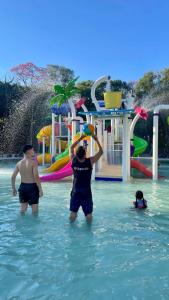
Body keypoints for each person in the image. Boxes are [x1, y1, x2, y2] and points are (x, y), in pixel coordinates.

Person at [69, 133, 103, 223]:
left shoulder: (73, 160)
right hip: (86, 192)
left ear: (76, 154)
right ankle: (89, 231)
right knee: (88, 215)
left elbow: (71, 147)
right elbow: (101, 152)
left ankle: (71, 230)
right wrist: (96, 140)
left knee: (73, 213)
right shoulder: (90, 161)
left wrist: (81, 138)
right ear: (84, 155)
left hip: (75, 191)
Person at [11, 144, 43, 215]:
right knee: (35, 211)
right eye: (32, 150)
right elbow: (36, 176)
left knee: (22, 210)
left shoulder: (18, 163)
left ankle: (22, 224)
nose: (34, 151)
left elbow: (13, 177)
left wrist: (13, 189)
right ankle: (34, 225)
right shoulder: (33, 163)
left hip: (23, 187)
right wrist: (40, 189)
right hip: (32, 188)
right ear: (28, 151)